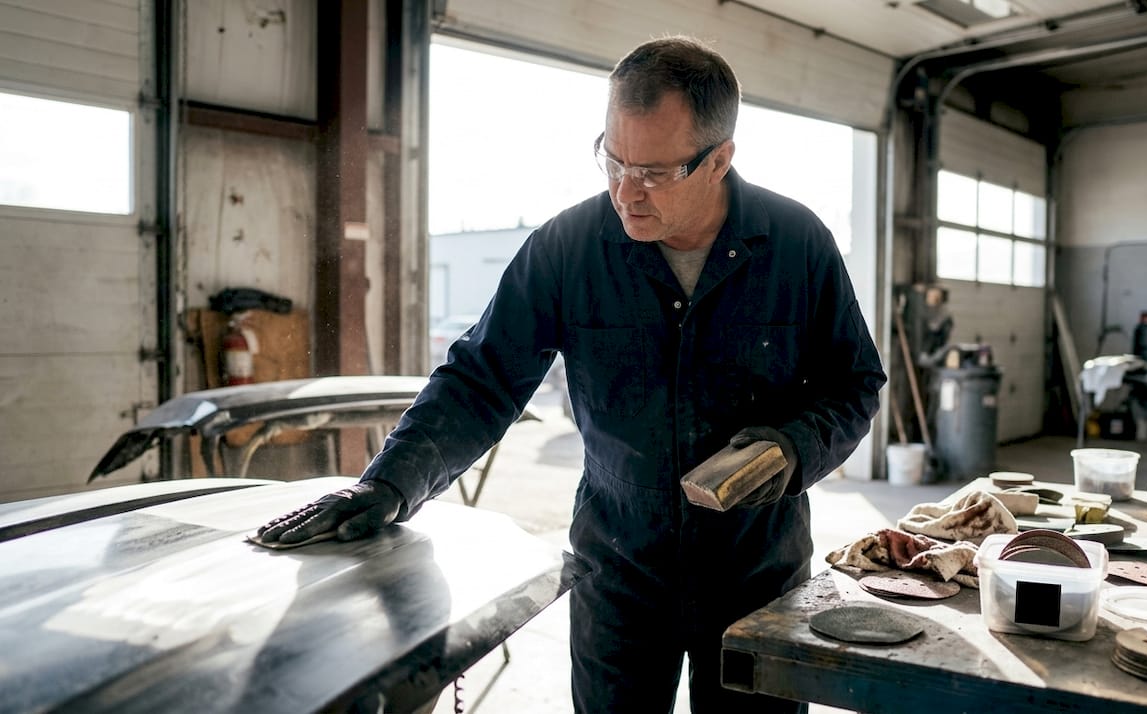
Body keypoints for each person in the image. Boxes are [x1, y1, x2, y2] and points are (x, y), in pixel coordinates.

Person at [258, 35, 885, 714]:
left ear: (719, 160)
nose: (624, 191)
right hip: (619, 572)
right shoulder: (568, 248)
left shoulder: (797, 245)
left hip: (756, 573)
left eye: (653, 172)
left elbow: (853, 383)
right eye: (612, 160)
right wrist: (390, 483)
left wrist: (792, 447)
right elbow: (481, 378)